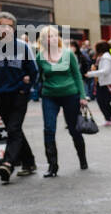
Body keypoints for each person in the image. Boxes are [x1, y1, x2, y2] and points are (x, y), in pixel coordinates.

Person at [0, 11, 39, 183]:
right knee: (14, 129)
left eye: (8, 26)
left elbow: (33, 71)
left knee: (13, 129)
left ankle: (8, 163)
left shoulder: (23, 47)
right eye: (1, 26)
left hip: (18, 95)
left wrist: (26, 88)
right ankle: (29, 163)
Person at [35, 25, 88, 176]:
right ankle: (52, 166)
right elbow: (37, 76)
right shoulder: (39, 57)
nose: (50, 39)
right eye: (47, 37)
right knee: (49, 129)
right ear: (43, 40)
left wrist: (83, 97)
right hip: (49, 96)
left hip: (70, 94)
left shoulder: (68, 54)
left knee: (73, 129)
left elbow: (77, 75)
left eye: (53, 36)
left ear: (57, 38)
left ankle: (82, 159)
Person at [86, 41, 111, 126]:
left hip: (106, 83)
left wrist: (91, 74)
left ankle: (108, 118)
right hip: (103, 82)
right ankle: (109, 117)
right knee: (103, 101)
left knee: (102, 101)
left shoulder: (106, 58)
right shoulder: (103, 57)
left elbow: (106, 71)